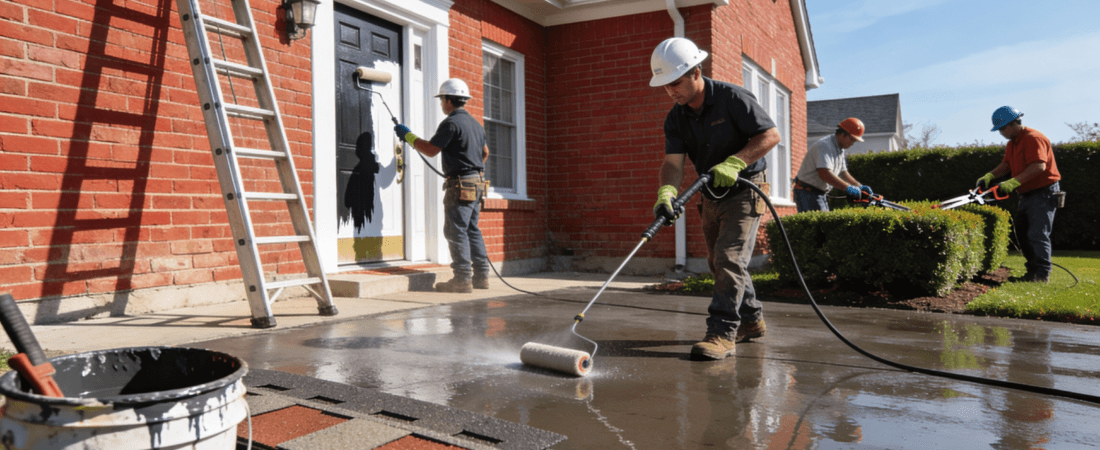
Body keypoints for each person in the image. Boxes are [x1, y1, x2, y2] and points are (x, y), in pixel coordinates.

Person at [649, 37, 781, 361]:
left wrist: (737, 161)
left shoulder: (732, 97)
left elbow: (770, 135)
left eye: (675, 82)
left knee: (728, 257)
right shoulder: (676, 118)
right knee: (718, 262)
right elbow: (672, 163)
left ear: (696, 72)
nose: (670, 91)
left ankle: (722, 333)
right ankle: (752, 320)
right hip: (711, 192)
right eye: (665, 85)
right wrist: (667, 191)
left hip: (746, 188)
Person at [394, 78, 491, 293]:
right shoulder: (476, 124)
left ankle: (462, 280)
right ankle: (482, 276)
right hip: (477, 183)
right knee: (472, 229)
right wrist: (472, 170)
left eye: (442, 100)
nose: (441, 105)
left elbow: (430, 149)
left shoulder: (451, 123)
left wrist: (407, 136)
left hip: (460, 185)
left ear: (448, 100)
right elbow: (485, 153)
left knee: (455, 230)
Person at [977, 106, 1061, 283]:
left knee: (1037, 234)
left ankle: (1041, 275)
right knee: (1022, 233)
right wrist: (990, 175)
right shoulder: (1013, 143)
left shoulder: (1033, 138)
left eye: (1001, 128)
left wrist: (1014, 182)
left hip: (1044, 192)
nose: (1000, 132)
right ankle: (1032, 272)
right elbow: (1006, 165)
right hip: (1027, 194)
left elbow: (1039, 166)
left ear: (1012, 124)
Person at [792, 118, 873, 212]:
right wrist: (848, 188)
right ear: (843, 134)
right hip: (807, 193)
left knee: (823, 225)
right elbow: (824, 173)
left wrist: (859, 186)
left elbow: (842, 172)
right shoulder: (825, 146)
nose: (853, 143)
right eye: (852, 139)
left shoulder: (839, 148)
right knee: (817, 226)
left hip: (818, 193)